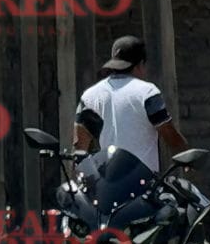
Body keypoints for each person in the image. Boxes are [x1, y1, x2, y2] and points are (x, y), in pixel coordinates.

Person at [74, 35, 188, 174]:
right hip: (143, 185)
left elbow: (80, 145)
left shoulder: (89, 96)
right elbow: (171, 137)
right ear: (140, 65)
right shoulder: (147, 92)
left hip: (108, 184)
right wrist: (187, 157)